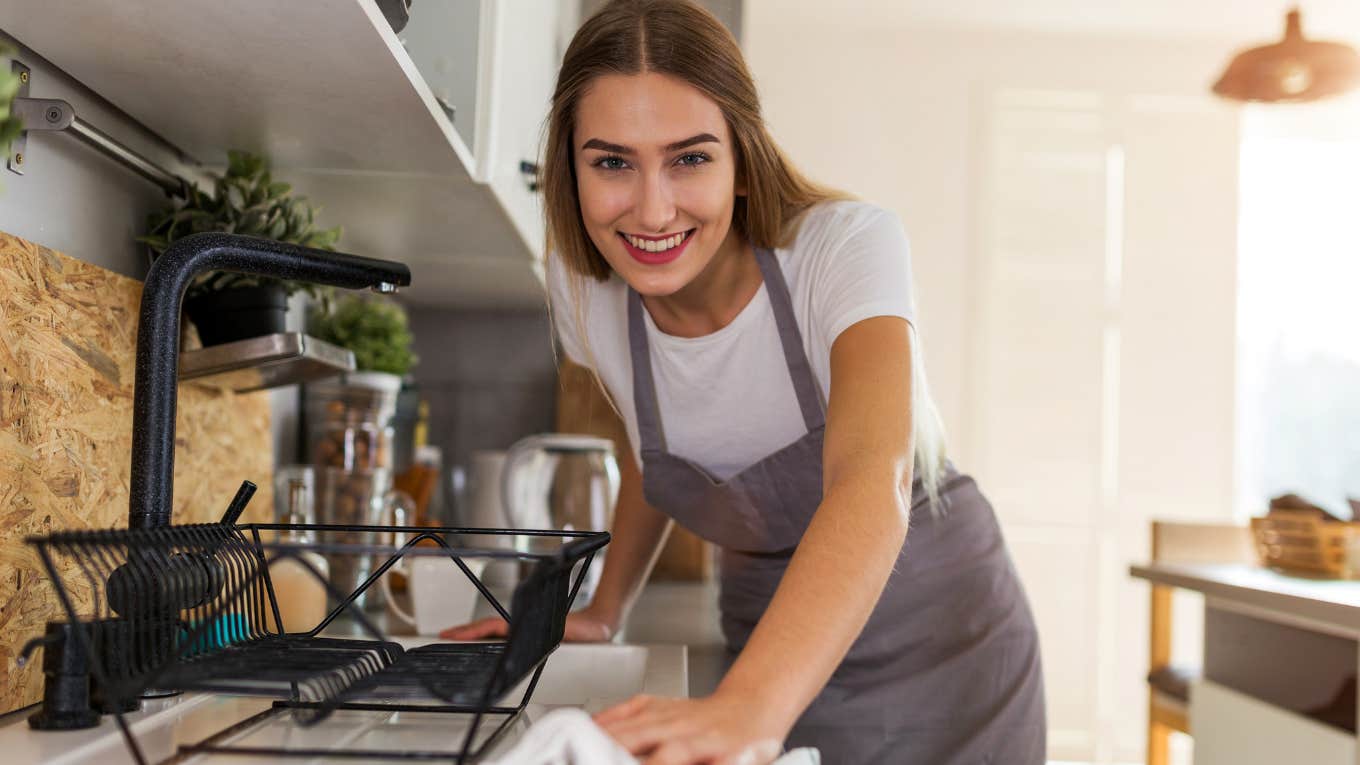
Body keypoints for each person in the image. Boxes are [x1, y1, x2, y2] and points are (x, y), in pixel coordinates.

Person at [442, 1, 1046, 762]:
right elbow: (650, 447)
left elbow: (872, 476)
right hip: (768, 631)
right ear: (569, 164)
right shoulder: (580, 285)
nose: (652, 208)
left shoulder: (843, 248)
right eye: (612, 161)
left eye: (690, 157)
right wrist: (604, 607)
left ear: (741, 155)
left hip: (943, 633)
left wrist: (751, 705)